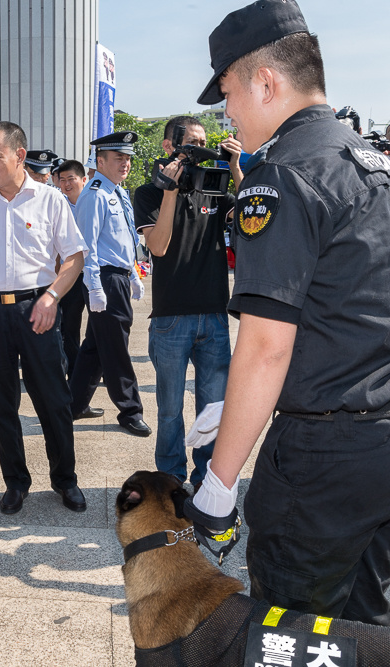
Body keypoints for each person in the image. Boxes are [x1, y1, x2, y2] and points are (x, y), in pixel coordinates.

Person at [186, 0, 390, 627]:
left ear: (266, 82)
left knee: (291, 627)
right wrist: (245, 409)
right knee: (358, 624)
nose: (226, 112)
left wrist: (220, 483)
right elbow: (368, 308)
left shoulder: (281, 176)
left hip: (341, 448)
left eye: (226, 93)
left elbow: (265, 346)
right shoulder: (368, 158)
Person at [0, 121, 88, 515]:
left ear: (19, 156)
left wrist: (52, 296)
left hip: (38, 310)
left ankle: (65, 479)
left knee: (53, 401)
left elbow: (74, 258)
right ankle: (15, 482)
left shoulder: (50, 200)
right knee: (1, 403)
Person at [133, 116, 240, 489]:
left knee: (213, 409)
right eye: (190, 144)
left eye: (203, 144)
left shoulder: (215, 186)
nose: (199, 152)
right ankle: (171, 479)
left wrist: (235, 167)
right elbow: (158, 247)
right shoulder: (148, 193)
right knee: (170, 411)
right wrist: (169, 192)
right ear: (169, 147)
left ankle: (208, 475)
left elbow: (249, 216)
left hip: (213, 314)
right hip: (171, 319)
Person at [69, 131, 151, 437]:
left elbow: (123, 240)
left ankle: (73, 404)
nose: (125, 164)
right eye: (119, 158)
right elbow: (86, 246)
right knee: (116, 347)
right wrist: (95, 286)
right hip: (102, 277)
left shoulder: (116, 192)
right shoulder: (95, 194)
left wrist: (132, 273)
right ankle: (130, 410)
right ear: (100, 160)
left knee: (95, 346)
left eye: (127, 158)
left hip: (116, 276)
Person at [55, 159, 91, 381]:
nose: (67, 184)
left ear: (83, 180)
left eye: (72, 179)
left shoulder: (94, 201)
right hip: (71, 276)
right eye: (63, 180)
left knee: (100, 329)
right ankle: (74, 374)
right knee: (69, 328)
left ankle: (103, 370)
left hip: (96, 274)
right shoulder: (58, 205)